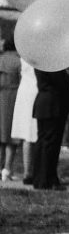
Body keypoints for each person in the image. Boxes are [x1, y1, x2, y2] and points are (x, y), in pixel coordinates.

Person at [32, 68, 69, 190]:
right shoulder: (53, 65)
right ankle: (46, 179)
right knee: (51, 143)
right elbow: (61, 84)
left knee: (42, 141)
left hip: (43, 102)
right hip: (54, 104)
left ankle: (39, 178)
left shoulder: (40, 62)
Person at [11, 56, 37, 184]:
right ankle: (32, 171)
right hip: (35, 90)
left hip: (24, 90)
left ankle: (27, 172)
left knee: (27, 134)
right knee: (34, 132)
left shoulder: (24, 54)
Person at [0, 37, 20, 181]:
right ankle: (7, 168)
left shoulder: (1, 60)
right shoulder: (19, 61)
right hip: (14, 97)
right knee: (11, 136)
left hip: (1, 95)